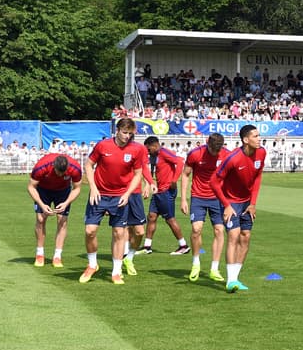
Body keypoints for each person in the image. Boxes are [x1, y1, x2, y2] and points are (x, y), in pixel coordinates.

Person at [81, 118, 148, 284]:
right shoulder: (103, 146)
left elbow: (138, 173)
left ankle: (116, 271)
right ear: (117, 130)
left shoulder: (137, 149)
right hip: (99, 195)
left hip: (120, 196)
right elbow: (89, 165)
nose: (127, 136)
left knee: (119, 233)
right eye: (124, 132)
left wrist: (127, 193)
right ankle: (92, 265)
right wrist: (93, 187)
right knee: (90, 231)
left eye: (130, 134)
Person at [211, 124, 266, 293]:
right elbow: (213, 182)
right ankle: (230, 280)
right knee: (233, 235)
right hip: (230, 202)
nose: (259, 139)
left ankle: (235, 278)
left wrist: (253, 203)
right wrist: (226, 205)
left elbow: (257, 177)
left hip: (246, 202)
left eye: (259, 135)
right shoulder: (233, 158)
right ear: (245, 140)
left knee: (245, 236)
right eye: (255, 136)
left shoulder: (262, 152)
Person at [180, 133, 231, 282]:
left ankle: (214, 269)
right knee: (196, 229)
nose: (215, 153)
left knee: (219, 230)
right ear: (207, 143)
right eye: (212, 150)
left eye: (217, 151)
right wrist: (183, 199)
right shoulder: (195, 154)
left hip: (218, 198)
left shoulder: (227, 155)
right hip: (198, 196)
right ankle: (196, 264)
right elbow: (185, 175)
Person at [27, 152, 83, 267]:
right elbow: (31, 187)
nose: (61, 175)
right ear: (54, 166)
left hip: (63, 191)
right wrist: (42, 204)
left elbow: (77, 188)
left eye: (64, 173)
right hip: (43, 189)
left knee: (62, 220)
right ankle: (40, 254)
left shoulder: (75, 168)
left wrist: (66, 202)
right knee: (41, 219)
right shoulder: (42, 166)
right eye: (59, 172)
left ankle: (57, 256)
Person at [143, 136, 189, 255]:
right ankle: (147, 246)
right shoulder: (154, 156)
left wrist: (174, 180)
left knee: (169, 219)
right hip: (159, 191)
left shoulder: (164, 152)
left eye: (148, 150)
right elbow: (149, 170)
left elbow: (180, 162)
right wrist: (149, 185)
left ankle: (183, 245)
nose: (148, 152)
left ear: (154, 146)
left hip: (167, 191)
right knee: (152, 216)